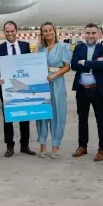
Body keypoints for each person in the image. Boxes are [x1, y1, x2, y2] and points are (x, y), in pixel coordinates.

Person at [0, 20, 36, 157]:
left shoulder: (25, 46)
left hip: (23, 88)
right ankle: (9, 145)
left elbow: (29, 66)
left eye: (12, 31)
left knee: (25, 117)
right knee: (8, 119)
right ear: (4, 32)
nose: (10, 33)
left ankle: (25, 145)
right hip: (7, 89)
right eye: (7, 31)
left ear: (16, 31)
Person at [70, 23, 103, 161]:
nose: (90, 36)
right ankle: (82, 146)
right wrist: (92, 64)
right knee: (82, 119)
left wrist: (85, 62)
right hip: (82, 89)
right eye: (88, 33)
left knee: (101, 120)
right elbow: (74, 65)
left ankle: (102, 149)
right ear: (84, 34)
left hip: (97, 89)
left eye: (93, 33)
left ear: (98, 34)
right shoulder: (79, 47)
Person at [34, 22, 70, 158]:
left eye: (50, 30)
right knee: (42, 114)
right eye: (45, 31)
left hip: (57, 82)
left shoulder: (62, 47)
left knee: (57, 113)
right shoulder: (42, 48)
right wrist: (38, 42)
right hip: (42, 84)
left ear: (54, 31)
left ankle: (55, 145)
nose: (48, 33)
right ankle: (42, 144)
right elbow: (33, 60)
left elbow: (67, 67)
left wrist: (53, 75)